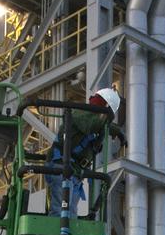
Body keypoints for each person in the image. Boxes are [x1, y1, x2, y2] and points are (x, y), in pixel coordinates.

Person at [47, 87, 126, 220]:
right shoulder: (81, 113)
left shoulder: (94, 120)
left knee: (70, 211)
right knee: (60, 209)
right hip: (61, 165)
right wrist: (113, 127)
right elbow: (91, 124)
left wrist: (118, 132)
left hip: (75, 170)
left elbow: (99, 125)